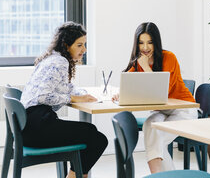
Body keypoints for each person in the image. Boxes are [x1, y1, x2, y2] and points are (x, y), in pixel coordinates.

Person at [21, 22, 108, 178]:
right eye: (79, 45)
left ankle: (76, 176)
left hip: (28, 125)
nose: (84, 50)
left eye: (84, 45)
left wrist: (82, 94)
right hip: (37, 128)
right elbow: (42, 96)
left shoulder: (53, 58)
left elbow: (65, 87)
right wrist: (73, 97)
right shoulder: (60, 62)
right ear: (67, 45)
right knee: (97, 139)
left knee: (91, 133)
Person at [121, 22, 198, 173]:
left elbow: (160, 94)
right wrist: (122, 93)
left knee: (157, 141)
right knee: (150, 127)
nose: (145, 48)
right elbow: (128, 82)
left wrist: (147, 68)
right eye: (141, 43)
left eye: (150, 42)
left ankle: (157, 176)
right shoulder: (139, 62)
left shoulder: (169, 58)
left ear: (156, 42)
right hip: (162, 111)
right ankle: (162, 176)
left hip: (184, 109)